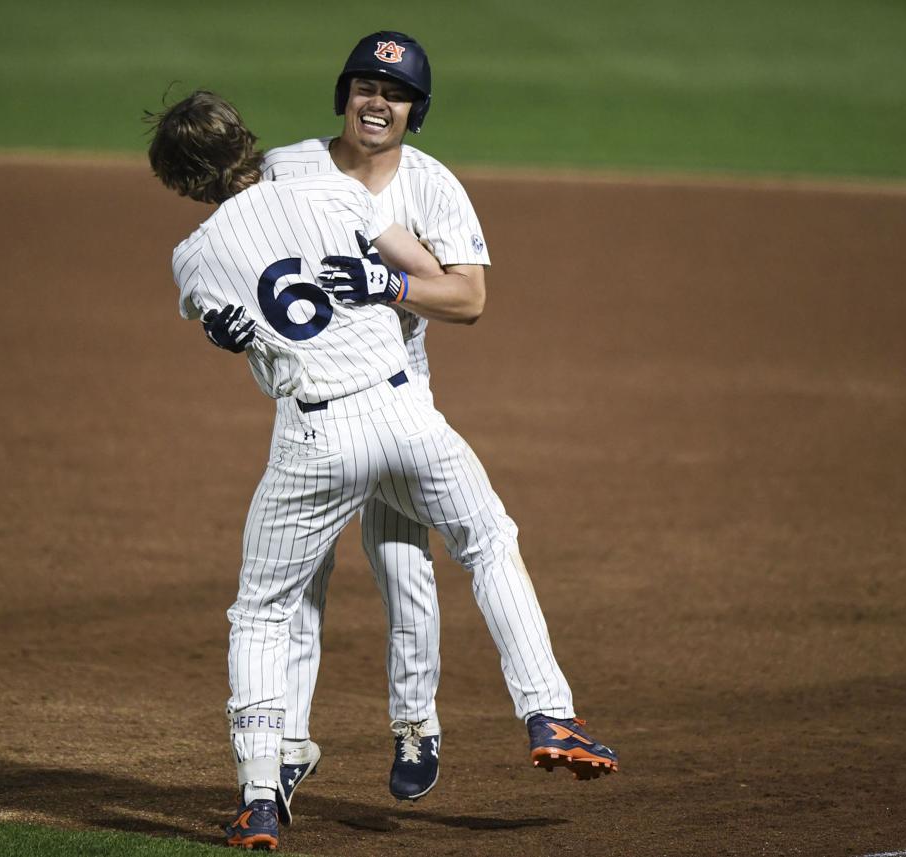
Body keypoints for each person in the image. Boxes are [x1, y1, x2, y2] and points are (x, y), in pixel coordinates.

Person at [149, 89, 616, 851]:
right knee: (488, 542)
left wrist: (224, 334)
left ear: (180, 181)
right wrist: (376, 279)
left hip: (315, 439)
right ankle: (549, 710)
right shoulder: (333, 189)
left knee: (263, 611)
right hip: (405, 414)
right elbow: (430, 279)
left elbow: (229, 324)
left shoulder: (191, 257)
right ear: (245, 141)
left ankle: (260, 795)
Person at [248, 31, 615, 805]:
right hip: (331, 414)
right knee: (320, 579)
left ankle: (406, 726)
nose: (377, 103)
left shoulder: (432, 186)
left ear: (414, 111)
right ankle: (292, 746)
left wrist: (391, 287)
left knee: (398, 565)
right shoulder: (288, 167)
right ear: (344, 94)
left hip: (392, 404)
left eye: (396, 94)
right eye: (366, 87)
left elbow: (469, 297)